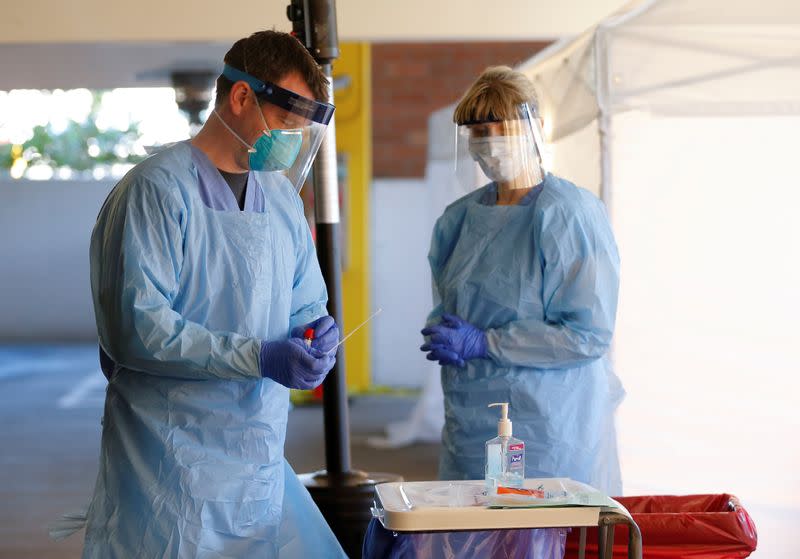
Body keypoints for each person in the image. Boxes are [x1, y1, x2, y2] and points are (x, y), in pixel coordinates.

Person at [83, 31, 346, 558]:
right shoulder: (155, 191)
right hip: (169, 464)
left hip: (258, 455)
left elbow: (304, 300)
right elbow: (137, 331)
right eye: (287, 122)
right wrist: (259, 355)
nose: (293, 139)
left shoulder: (279, 199)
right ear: (241, 97)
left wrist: (316, 332)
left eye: (302, 129)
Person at [420, 66, 625, 495]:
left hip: (549, 424)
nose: (489, 139)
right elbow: (450, 300)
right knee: (470, 529)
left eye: (501, 125)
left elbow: (586, 334)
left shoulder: (568, 214)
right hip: (472, 421)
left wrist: (486, 342)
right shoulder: (458, 220)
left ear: (533, 126)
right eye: (478, 129)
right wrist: (446, 331)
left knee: (545, 532)